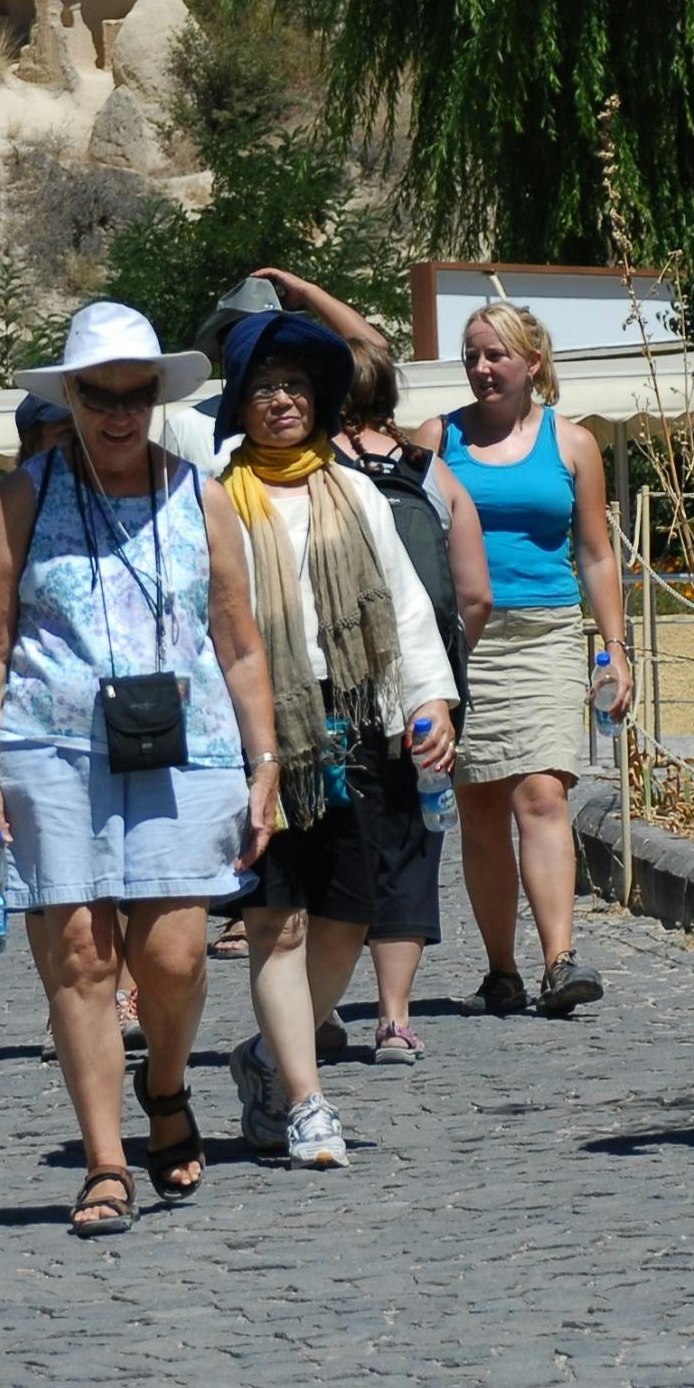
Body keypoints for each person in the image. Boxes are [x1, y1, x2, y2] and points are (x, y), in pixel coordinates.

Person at [0, 302, 279, 1238]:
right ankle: (105, 1161)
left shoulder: (202, 497)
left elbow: (240, 639)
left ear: (155, 397)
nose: (116, 413)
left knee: (175, 955)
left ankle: (166, 1085)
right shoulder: (21, 498)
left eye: (133, 395)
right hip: (52, 748)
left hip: (188, 743)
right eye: (97, 396)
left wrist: (266, 761)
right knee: (81, 954)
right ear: (71, 398)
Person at [211, 314, 460, 1169]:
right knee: (276, 921)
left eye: (294, 386)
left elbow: (404, 604)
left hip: (353, 719)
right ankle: (306, 1099)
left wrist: (430, 700)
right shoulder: (215, 500)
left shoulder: (355, 493)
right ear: (239, 405)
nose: (281, 401)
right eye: (263, 388)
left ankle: (265, 1056)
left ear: (318, 399)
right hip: (259, 726)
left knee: (351, 913)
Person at [419, 302, 631, 1018]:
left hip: (545, 633)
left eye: (495, 355)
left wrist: (614, 649)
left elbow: (595, 553)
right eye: (472, 356)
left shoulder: (573, 443)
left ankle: (559, 959)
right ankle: (501, 969)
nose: (481, 368)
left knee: (543, 792)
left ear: (532, 362)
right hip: (464, 637)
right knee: (480, 803)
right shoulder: (437, 439)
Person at [331, 342, 491, 1061]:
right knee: (410, 842)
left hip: (337, 687)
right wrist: (440, 673)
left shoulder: (311, 470)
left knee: (332, 845)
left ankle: (316, 1009)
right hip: (422, 694)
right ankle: (394, 1017)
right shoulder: (431, 471)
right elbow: (476, 594)